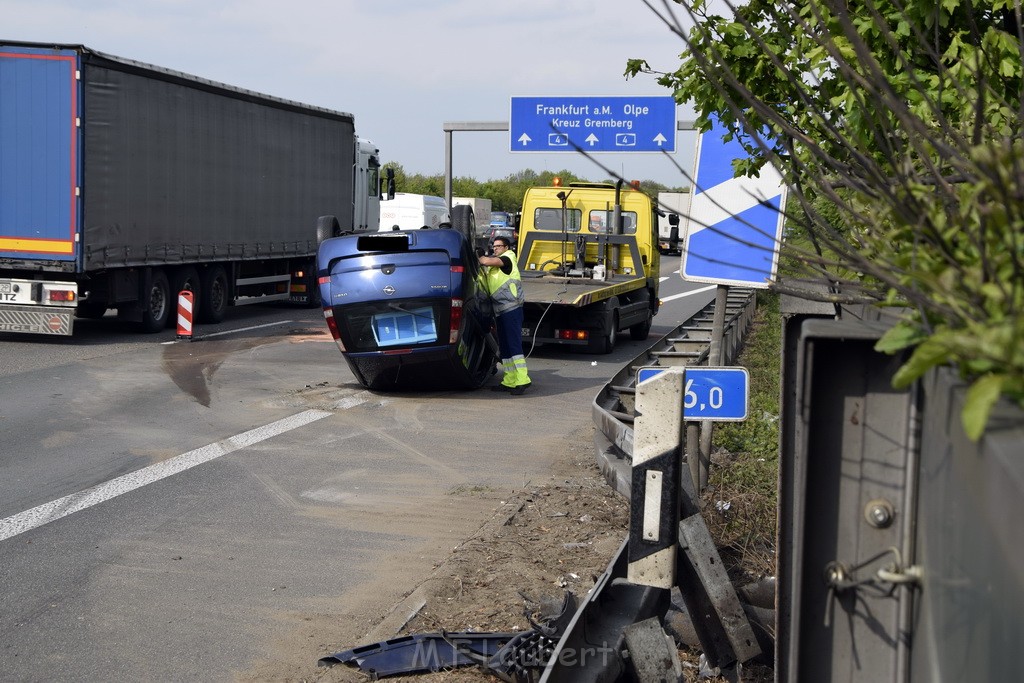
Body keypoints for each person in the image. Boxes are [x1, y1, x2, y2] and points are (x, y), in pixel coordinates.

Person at [478, 237, 532, 395]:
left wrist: (480, 256)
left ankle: (522, 379)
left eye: (498, 246)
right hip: (501, 310)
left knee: (514, 345)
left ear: (507, 247)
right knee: (506, 347)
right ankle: (509, 380)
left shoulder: (508, 258)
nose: (495, 249)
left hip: (512, 309)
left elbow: (486, 262)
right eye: (494, 247)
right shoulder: (496, 264)